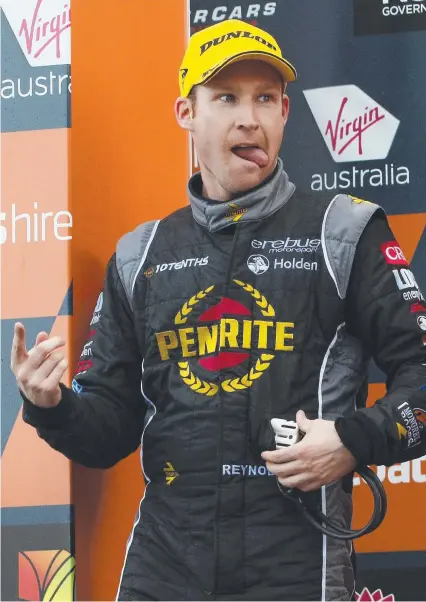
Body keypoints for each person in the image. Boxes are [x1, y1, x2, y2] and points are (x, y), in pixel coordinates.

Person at [11, 18, 426, 602]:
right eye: (226, 98)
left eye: (265, 99)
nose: (248, 117)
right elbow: (108, 431)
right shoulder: (141, 254)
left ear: (285, 112)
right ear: (187, 113)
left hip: (297, 568)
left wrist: (355, 439)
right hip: (164, 570)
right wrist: (49, 405)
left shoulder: (344, 231)